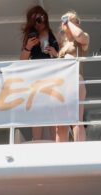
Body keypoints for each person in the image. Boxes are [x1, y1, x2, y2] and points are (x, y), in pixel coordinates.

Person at [20, 5, 61, 142]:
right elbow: (22, 60)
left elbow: (62, 56)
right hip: (36, 77)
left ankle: (57, 143)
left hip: (53, 76)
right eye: (35, 20)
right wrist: (28, 47)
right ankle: (36, 142)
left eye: (40, 18)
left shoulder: (53, 34)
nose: (38, 22)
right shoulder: (30, 36)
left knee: (54, 110)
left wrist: (55, 53)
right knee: (37, 111)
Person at [56, 11, 89, 142]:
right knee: (60, 124)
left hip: (75, 79)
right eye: (65, 18)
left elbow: (79, 35)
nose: (67, 20)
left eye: (71, 19)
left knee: (77, 120)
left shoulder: (83, 38)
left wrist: (68, 22)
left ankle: (80, 150)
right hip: (61, 83)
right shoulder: (62, 44)